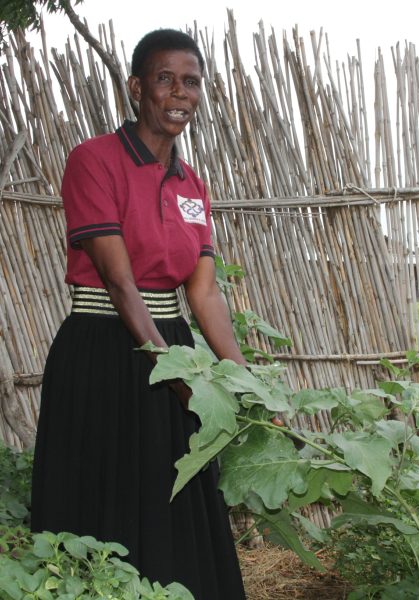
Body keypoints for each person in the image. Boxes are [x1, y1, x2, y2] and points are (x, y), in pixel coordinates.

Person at [31, 29, 246, 599]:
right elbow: (120, 283)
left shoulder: (192, 183)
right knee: (102, 496)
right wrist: (180, 381)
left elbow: (203, 295)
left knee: (166, 498)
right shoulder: (93, 160)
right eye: (164, 78)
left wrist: (243, 382)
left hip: (169, 347)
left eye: (191, 81)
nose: (180, 92)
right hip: (103, 349)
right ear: (136, 87)